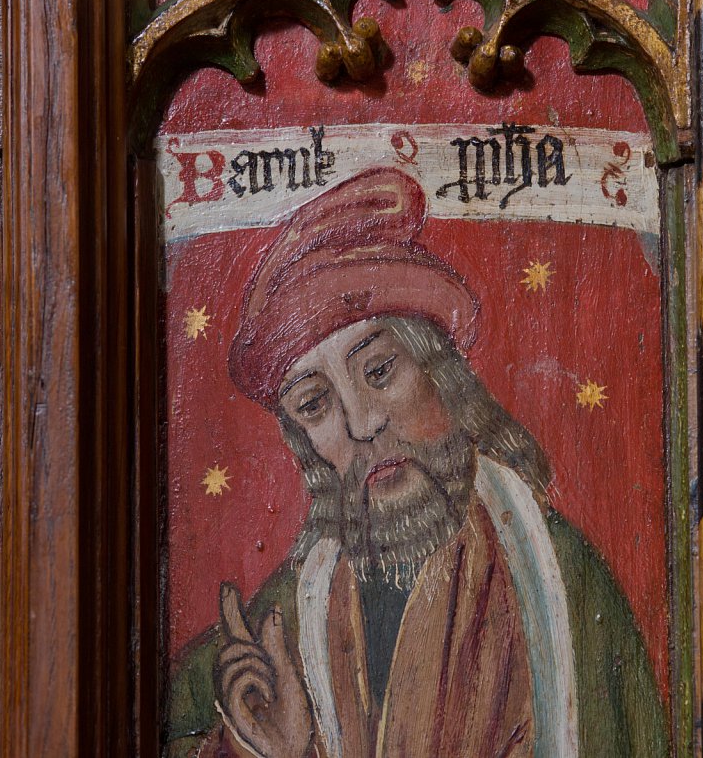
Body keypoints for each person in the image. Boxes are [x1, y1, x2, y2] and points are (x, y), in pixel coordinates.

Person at [165, 168, 668, 758]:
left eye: (379, 371)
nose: (362, 424)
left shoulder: (563, 584)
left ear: (441, 374)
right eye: (315, 404)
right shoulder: (289, 619)